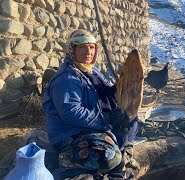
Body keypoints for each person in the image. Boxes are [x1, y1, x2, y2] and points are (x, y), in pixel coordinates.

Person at [42, 29, 137, 179]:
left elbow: (105, 92)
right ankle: (66, 160)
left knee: (132, 122)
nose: (88, 52)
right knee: (107, 157)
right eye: (82, 47)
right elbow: (71, 113)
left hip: (96, 127)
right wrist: (106, 119)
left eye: (92, 47)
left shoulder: (92, 71)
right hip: (72, 133)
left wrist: (121, 88)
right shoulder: (67, 78)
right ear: (72, 50)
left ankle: (116, 153)